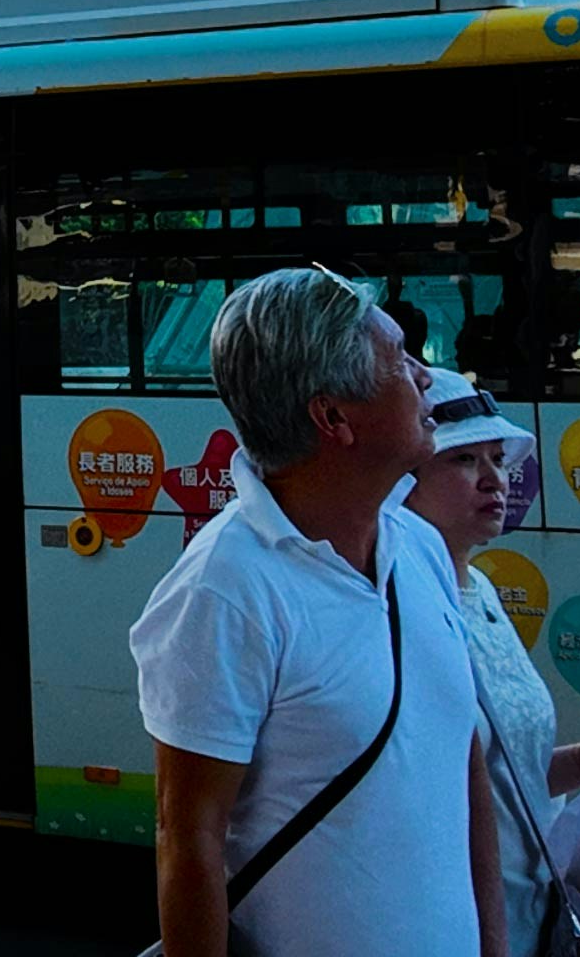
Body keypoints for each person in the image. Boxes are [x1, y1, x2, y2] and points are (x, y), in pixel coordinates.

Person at [130, 267, 503, 957]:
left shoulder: (419, 547)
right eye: (400, 360)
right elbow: (188, 840)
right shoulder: (223, 589)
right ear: (332, 417)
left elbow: (464, 768)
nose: (426, 377)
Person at [403, 369, 580, 957]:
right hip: (458, 927)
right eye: (463, 461)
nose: (494, 479)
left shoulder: (481, 590)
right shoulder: (395, 606)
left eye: (498, 458)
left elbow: (504, 767)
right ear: (402, 484)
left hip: (535, 916)